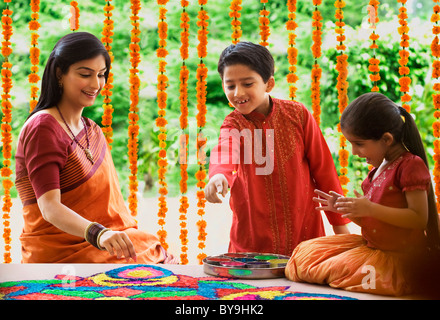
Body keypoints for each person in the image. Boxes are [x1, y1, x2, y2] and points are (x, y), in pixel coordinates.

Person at [15, 32, 176, 264]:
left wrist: (110, 234)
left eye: (101, 75)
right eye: (85, 74)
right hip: (61, 251)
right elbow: (49, 208)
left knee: (155, 251)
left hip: (100, 243)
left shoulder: (92, 130)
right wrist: (100, 234)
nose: (96, 84)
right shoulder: (43, 127)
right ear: (60, 73)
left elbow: (112, 214)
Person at [285, 92, 440, 297]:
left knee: (326, 270)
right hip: (371, 248)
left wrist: (369, 208)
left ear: (386, 139)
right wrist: (346, 209)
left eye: (359, 144)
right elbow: (375, 224)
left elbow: (419, 219)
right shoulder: (379, 169)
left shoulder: (410, 165)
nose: (354, 152)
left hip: (398, 258)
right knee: (303, 256)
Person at [204, 42, 350, 256]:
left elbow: (324, 171)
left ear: (269, 84)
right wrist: (218, 175)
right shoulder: (233, 124)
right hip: (252, 244)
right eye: (230, 85)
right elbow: (225, 150)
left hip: (304, 236)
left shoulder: (298, 115)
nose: (238, 92)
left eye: (247, 83)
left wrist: (341, 230)